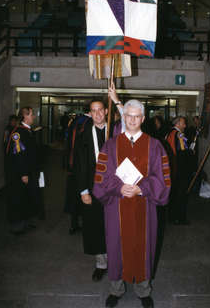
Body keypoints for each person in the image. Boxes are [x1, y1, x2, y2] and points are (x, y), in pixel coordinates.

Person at [93, 100, 171, 308]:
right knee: (115, 245)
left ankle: (143, 290)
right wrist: (118, 187)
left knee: (144, 246)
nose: (133, 119)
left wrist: (142, 188)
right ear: (123, 117)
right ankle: (115, 290)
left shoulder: (155, 146)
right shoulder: (110, 145)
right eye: (129, 115)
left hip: (145, 206)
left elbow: (162, 178)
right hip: (116, 205)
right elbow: (101, 177)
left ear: (143, 119)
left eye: (137, 116)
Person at [77, 95, 122, 282]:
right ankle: (101, 264)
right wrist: (83, 191)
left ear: (105, 111)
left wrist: (116, 100)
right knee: (95, 226)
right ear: (90, 113)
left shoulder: (116, 130)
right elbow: (79, 165)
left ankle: (117, 261)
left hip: (114, 188)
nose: (97, 114)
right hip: (94, 187)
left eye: (100, 110)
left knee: (115, 225)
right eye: (93, 110)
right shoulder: (83, 135)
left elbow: (130, 120)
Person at [5, 107, 42, 234]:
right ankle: (17, 225)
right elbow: (18, 153)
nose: (33, 117)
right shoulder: (19, 133)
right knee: (19, 197)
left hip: (29, 171)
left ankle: (25, 221)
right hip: (20, 173)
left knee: (27, 197)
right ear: (25, 116)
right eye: (31, 115)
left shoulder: (27, 130)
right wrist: (23, 173)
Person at [166, 116, 193, 225]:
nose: (185, 126)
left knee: (173, 194)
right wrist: (190, 153)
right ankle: (179, 218)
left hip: (172, 168)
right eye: (183, 123)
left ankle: (172, 217)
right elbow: (182, 154)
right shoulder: (178, 135)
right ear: (177, 124)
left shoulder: (169, 133)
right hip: (180, 170)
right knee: (180, 195)